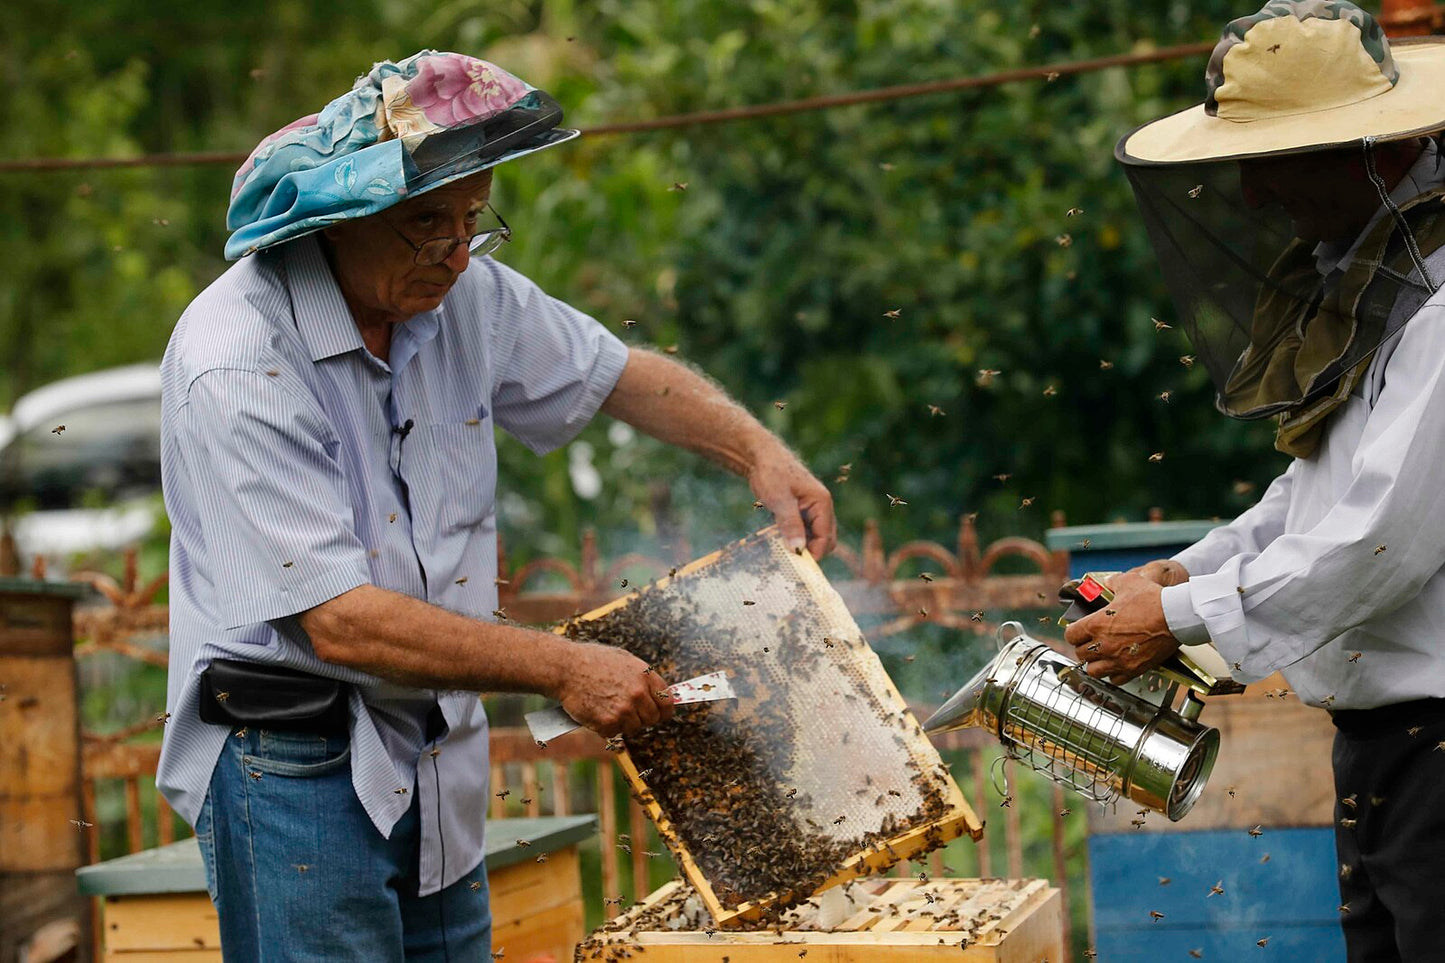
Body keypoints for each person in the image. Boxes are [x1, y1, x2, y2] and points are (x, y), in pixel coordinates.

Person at [154, 51, 836, 961]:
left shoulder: (465, 294)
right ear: (340, 219)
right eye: (424, 224)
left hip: (434, 753)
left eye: (472, 220)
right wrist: (562, 666)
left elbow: (615, 375)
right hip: (289, 766)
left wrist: (757, 450)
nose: (454, 250)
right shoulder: (237, 361)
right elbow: (339, 620)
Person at [1065, 3, 1445, 959]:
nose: (1251, 192)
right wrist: (1182, 572)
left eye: (1273, 159)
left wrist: (1179, 615)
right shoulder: (1388, 284)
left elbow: (1378, 542)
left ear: (1369, 150)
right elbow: (1318, 494)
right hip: (1387, 754)